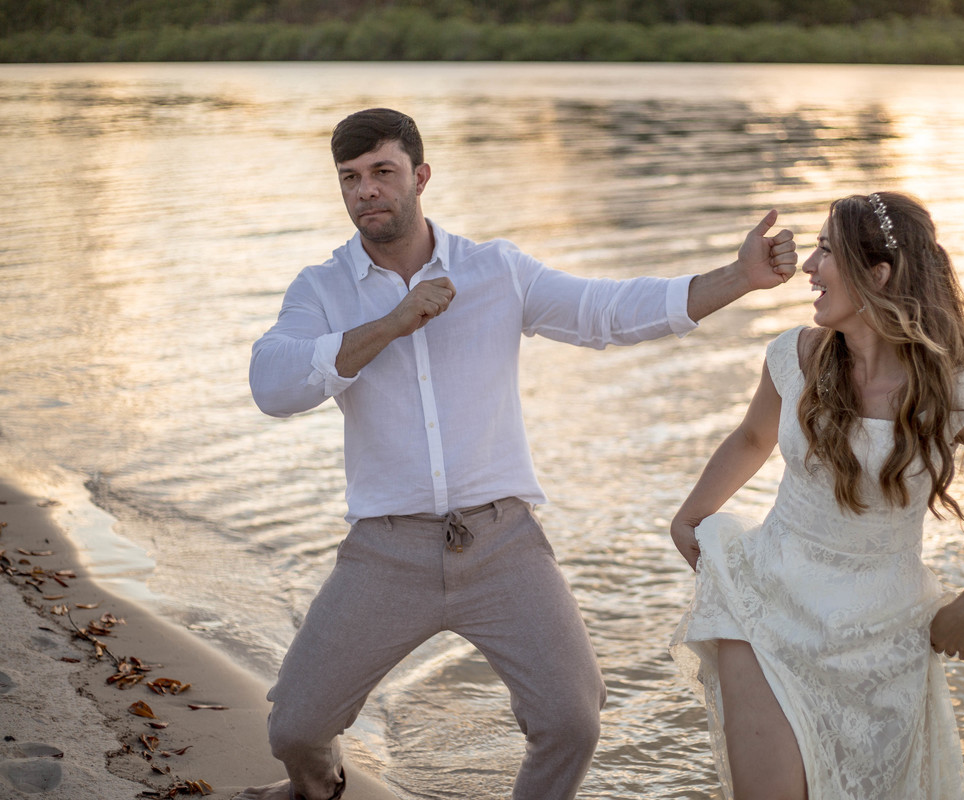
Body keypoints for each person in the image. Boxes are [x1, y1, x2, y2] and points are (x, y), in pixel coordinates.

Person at [239, 107, 798, 800]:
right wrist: (391, 323)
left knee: (572, 721)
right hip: (386, 551)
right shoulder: (322, 289)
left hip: (503, 542)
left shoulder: (495, 270)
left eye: (383, 173)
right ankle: (318, 789)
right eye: (350, 179)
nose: (366, 192)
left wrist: (739, 277)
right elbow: (273, 384)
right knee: (293, 730)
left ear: (420, 176)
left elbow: (609, 312)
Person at [669, 191, 964, 800]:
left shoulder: (954, 394)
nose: (808, 267)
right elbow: (750, 438)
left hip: (884, 634)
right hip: (766, 601)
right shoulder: (794, 356)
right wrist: (690, 515)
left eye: (826, 250)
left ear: (878, 275)